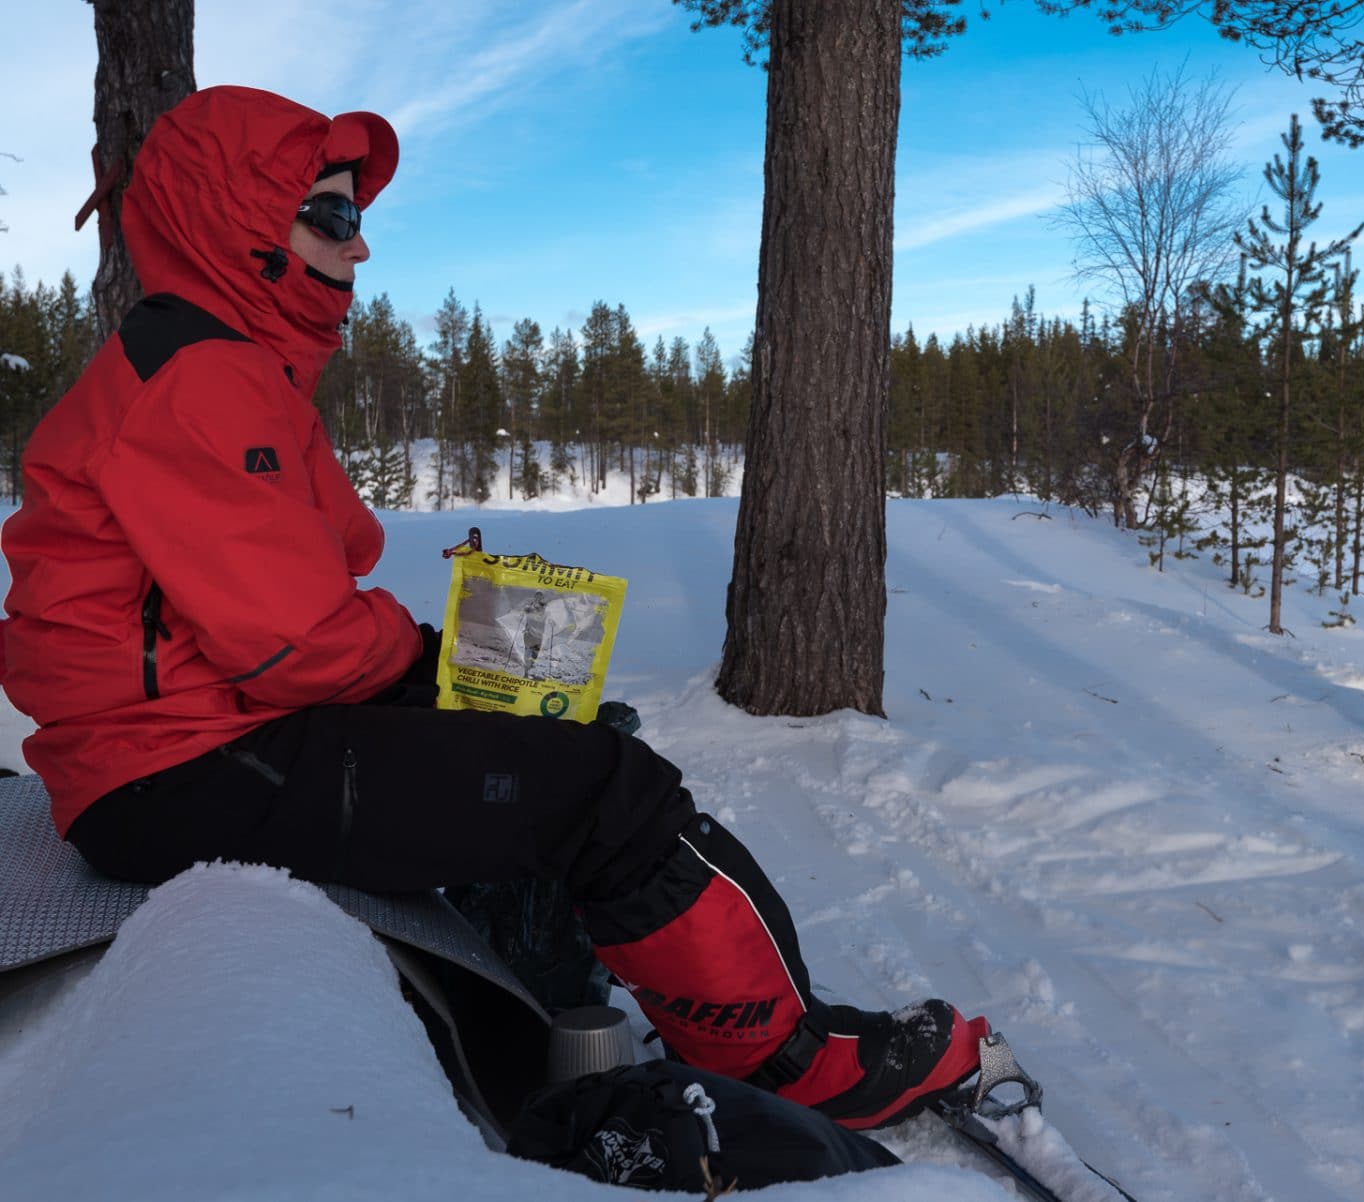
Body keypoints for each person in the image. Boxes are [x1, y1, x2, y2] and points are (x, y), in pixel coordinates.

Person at [0, 85, 984, 1131]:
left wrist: (442, 678)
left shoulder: (209, 367)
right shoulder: (201, 381)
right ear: (244, 228)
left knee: (541, 749)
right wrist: (436, 665)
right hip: (181, 769)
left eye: (357, 217)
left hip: (189, 747)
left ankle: (589, 999)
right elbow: (295, 642)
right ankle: (799, 1064)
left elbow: (277, 610)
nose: (356, 247)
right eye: (329, 216)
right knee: (609, 788)